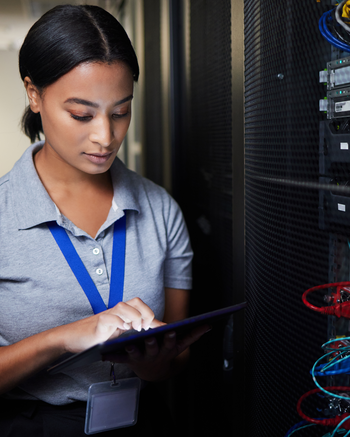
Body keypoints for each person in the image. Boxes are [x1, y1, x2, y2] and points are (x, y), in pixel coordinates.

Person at [0, 4, 208, 436]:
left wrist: (154, 362)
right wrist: (68, 335)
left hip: (142, 420)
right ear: (33, 94)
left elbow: (176, 358)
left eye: (120, 112)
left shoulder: (160, 210)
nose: (105, 136)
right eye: (82, 114)